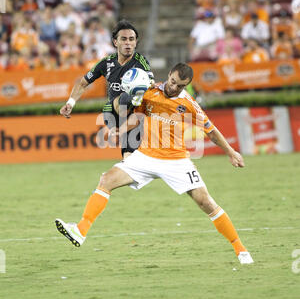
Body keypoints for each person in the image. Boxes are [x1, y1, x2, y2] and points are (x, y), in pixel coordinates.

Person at [55, 62, 254, 265]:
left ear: (186, 86)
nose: (174, 87)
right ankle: (80, 230)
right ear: (169, 75)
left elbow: (211, 131)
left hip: (176, 160)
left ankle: (240, 249)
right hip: (145, 156)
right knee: (106, 180)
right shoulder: (149, 92)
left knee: (206, 202)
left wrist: (231, 152)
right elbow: (136, 118)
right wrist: (119, 130)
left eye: (180, 86)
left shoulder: (189, 104)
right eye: (173, 81)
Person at [59, 19, 154, 159]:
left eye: (131, 39)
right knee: (124, 99)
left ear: (135, 42)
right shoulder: (106, 63)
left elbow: (151, 85)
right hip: (112, 114)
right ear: (115, 42)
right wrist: (70, 103)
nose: (128, 43)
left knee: (130, 161)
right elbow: (83, 83)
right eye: (124, 39)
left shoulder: (141, 62)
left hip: (134, 117)